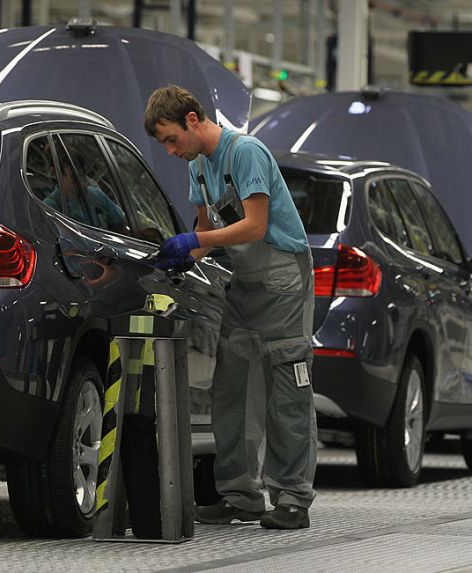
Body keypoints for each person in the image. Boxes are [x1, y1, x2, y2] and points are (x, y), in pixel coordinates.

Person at [143, 85, 317, 530]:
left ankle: (292, 498)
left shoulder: (246, 153)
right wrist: (181, 257)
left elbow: (255, 226)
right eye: (163, 143)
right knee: (231, 391)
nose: (169, 150)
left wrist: (197, 241)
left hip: (282, 281)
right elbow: (205, 231)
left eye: (171, 139)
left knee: (285, 394)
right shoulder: (199, 166)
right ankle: (241, 494)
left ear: (193, 120)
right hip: (245, 285)